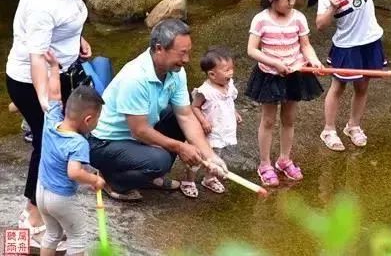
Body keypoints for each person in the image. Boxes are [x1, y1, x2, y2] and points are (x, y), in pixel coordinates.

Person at [5, 0, 109, 249]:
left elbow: (64, 24)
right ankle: (30, 216)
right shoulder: (42, 1)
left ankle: (43, 215)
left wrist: (76, 42)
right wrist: (46, 104)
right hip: (30, 79)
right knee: (46, 142)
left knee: (50, 138)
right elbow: (37, 59)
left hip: (60, 71)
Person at [88, 19, 228, 201]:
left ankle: (147, 175)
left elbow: (185, 115)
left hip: (137, 134)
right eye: (182, 54)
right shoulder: (136, 78)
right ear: (159, 49)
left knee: (176, 119)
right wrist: (180, 147)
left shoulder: (175, 72)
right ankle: (113, 179)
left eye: (188, 52)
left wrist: (210, 156)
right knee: (159, 161)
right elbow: (139, 131)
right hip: (105, 142)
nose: (186, 60)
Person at [309, 0, 391, 151]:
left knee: (362, 86)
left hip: (370, 42)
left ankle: (353, 126)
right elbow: (320, 25)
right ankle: (329, 130)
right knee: (338, 87)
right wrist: (333, 7)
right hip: (346, 47)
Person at [245, 0, 324, 186]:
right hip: (270, 75)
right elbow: (252, 50)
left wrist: (314, 61)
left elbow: (305, 45)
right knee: (268, 120)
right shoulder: (261, 20)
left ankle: (284, 159)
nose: (292, 2)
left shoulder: (298, 18)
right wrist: (274, 63)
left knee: (289, 119)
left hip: (295, 73)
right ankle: (264, 163)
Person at [36, 51, 105, 256]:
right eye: (97, 119)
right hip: (61, 198)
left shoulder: (52, 119)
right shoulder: (78, 142)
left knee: (52, 234)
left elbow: (54, 94)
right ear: (88, 119)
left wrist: (54, 68)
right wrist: (94, 180)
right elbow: (74, 172)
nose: (97, 123)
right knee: (77, 238)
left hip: (41, 191)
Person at [181, 47, 241, 198]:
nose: (231, 73)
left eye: (232, 68)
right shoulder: (205, 91)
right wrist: (203, 121)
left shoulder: (229, 85)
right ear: (212, 74)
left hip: (221, 129)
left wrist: (234, 113)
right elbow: (194, 107)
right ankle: (189, 180)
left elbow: (229, 102)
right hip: (207, 132)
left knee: (216, 155)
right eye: (227, 70)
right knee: (198, 157)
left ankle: (209, 178)